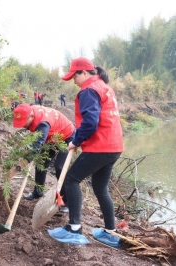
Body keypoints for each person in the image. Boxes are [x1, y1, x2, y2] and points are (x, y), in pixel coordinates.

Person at [48, 57, 123, 247]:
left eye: (74, 76)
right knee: (100, 187)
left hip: (100, 146)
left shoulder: (89, 90)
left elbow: (90, 122)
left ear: (83, 72)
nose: (73, 81)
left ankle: (74, 229)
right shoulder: (103, 86)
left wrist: (76, 140)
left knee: (71, 180)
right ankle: (110, 231)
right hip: (114, 146)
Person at [12, 104, 75, 213]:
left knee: (60, 167)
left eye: (23, 122)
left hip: (66, 136)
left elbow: (36, 148)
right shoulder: (32, 111)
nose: (22, 126)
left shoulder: (42, 124)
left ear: (31, 116)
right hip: (52, 136)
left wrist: (18, 167)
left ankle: (66, 201)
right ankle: (38, 191)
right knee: (41, 163)